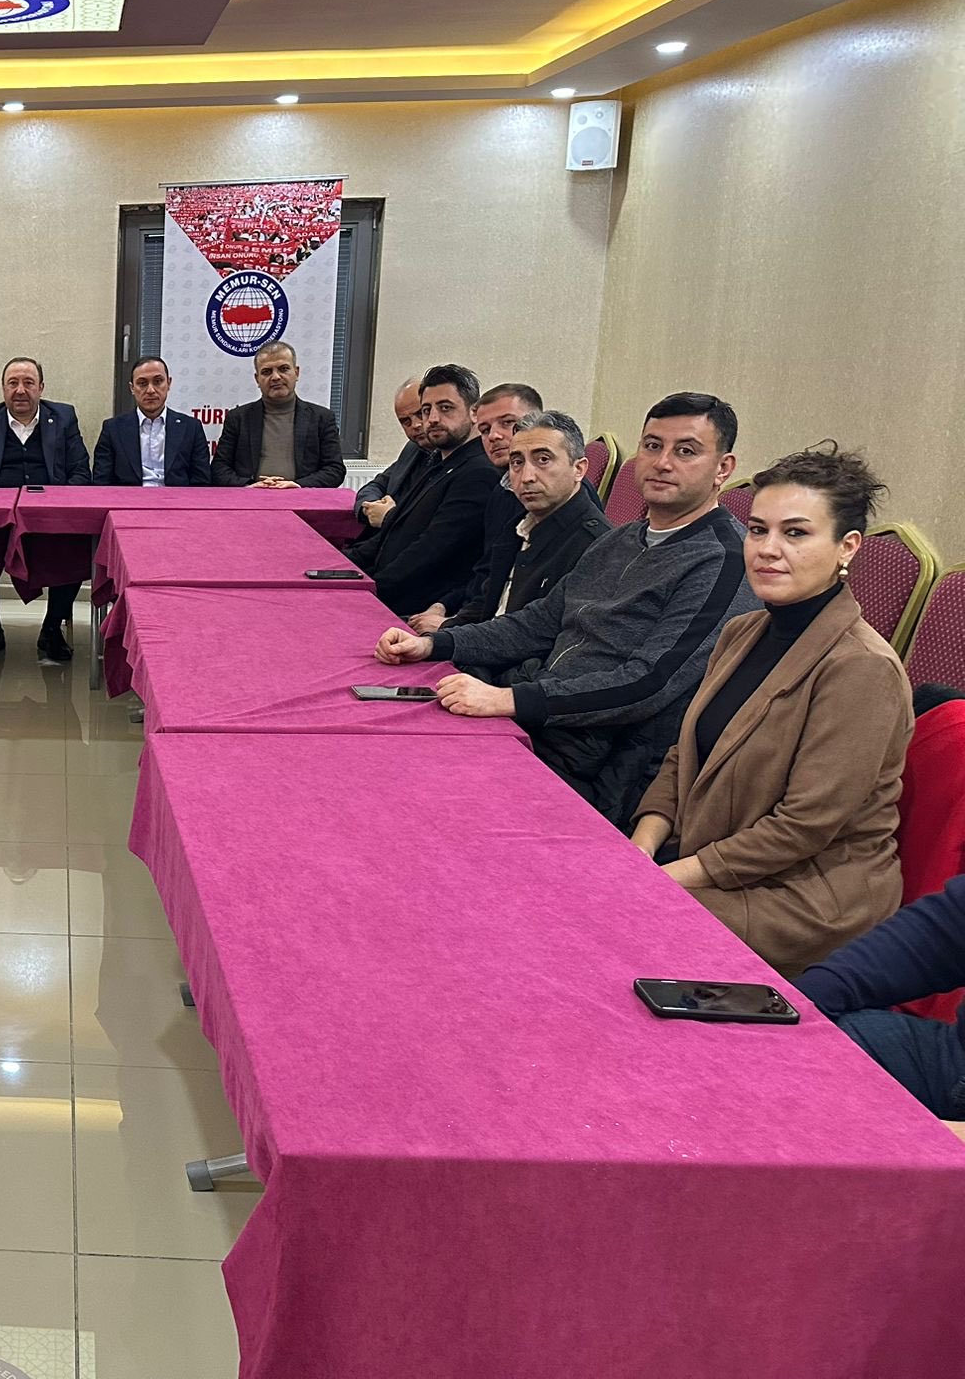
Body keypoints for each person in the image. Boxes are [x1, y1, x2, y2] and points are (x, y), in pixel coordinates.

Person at [375, 393, 757, 824]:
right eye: (653, 446)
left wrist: (508, 700)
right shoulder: (621, 539)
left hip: (602, 762)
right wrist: (435, 644)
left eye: (685, 451)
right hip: (545, 717)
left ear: (723, 468)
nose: (663, 462)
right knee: (386, 757)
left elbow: (649, 683)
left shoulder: (722, 560)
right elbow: (536, 623)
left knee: (417, 806)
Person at [630, 447, 910, 977]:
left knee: (615, 923)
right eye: (758, 530)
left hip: (806, 896)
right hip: (715, 859)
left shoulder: (862, 668)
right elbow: (683, 755)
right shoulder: (742, 632)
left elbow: (803, 827)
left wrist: (664, 879)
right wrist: (639, 852)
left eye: (795, 533)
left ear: (847, 547)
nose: (767, 549)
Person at [795, 871, 965, 1120]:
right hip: (951, 1055)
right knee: (803, 1042)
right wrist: (795, 1004)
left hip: (817, 904)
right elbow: (941, 931)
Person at [0, 356, 91, 663]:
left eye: (28, 383)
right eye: (13, 383)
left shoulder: (64, 417)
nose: (20, 390)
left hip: (49, 516)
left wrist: (56, 506)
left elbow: (80, 472)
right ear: (3, 388)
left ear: (41, 387)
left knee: (76, 545)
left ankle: (52, 628)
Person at [343, 363, 496, 617]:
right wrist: (339, 564)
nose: (432, 419)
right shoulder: (436, 460)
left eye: (445, 408)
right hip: (386, 590)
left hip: (412, 610)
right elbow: (393, 532)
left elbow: (429, 552)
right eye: (427, 410)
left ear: (474, 413)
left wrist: (369, 591)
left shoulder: (479, 472)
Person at [438, 410, 610, 627]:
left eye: (543, 460)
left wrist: (446, 640)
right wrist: (441, 632)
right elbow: (485, 604)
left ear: (579, 469)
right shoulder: (518, 525)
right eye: (517, 462)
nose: (527, 477)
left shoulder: (596, 545)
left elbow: (539, 634)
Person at [408, 382, 545, 632]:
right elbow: (486, 572)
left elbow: (525, 608)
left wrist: (452, 624)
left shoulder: (547, 499)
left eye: (508, 423)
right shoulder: (503, 490)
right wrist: (444, 605)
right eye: (485, 429)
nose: (494, 436)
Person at [210, 341, 346, 488]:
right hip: (251, 497)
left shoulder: (322, 418)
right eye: (267, 372)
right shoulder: (238, 418)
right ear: (257, 379)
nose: (275, 377)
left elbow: (335, 469)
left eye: (283, 369)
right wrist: (249, 486)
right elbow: (219, 468)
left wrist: (298, 485)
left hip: (302, 497)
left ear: (296, 373)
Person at [92, 356, 210, 486]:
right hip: (130, 497)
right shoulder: (113, 429)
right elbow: (101, 482)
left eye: (158, 381)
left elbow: (201, 482)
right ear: (132, 388)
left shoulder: (191, 428)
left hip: (176, 497)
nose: (150, 390)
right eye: (142, 384)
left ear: (169, 383)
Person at [353, 378, 429, 532]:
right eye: (406, 421)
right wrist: (371, 508)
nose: (415, 425)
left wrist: (389, 516)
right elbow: (376, 486)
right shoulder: (413, 448)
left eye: (421, 413)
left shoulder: (455, 462)